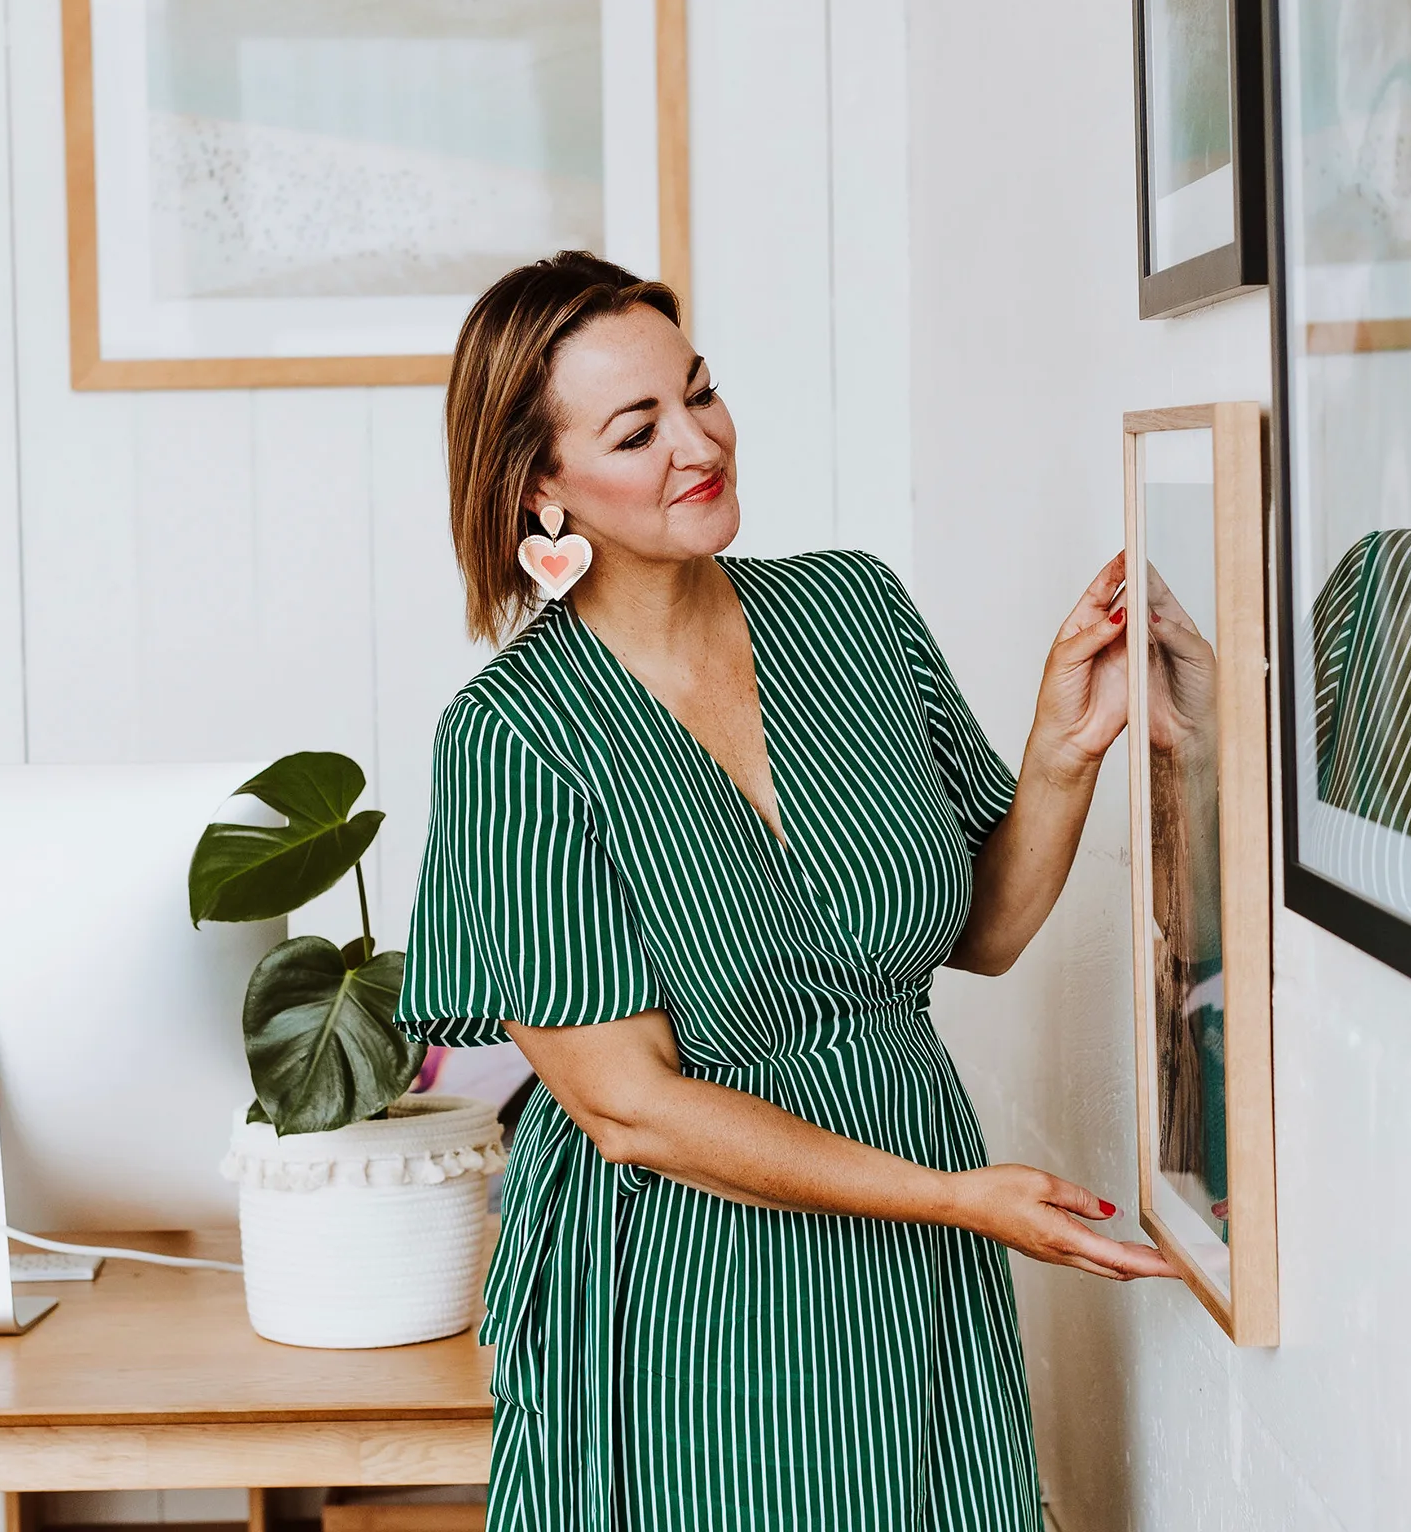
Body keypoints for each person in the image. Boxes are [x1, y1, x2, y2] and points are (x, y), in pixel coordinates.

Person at [397, 253, 1173, 1532]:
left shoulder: (853, 611)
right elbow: (632, 1111)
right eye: (637, 430)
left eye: (700, 394)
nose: (698, 442)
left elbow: (976, 932)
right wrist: (946, 1198)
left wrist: (1063, 748)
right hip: (687, 1277)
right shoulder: (510, 739)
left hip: (914, 1230)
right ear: (538, 486)